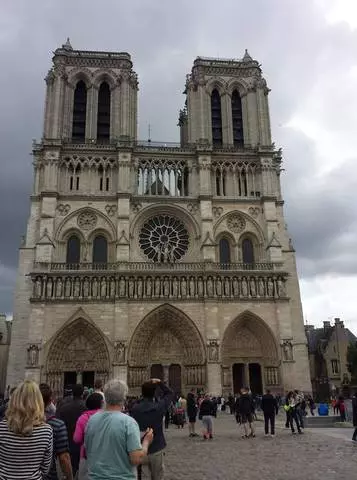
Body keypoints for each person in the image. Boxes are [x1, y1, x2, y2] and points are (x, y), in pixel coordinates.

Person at [85, 379, 153, 480]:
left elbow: (88, 449)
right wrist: (146, 442)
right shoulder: (128, 422)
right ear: (124, 399)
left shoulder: (91, 420)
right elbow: (136, 459)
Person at [0, 380, 53, 480]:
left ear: (14, 400)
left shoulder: (1, 428)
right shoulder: (47, 431)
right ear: (39, 402)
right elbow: (45, 469)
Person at [131, 379, 174, 479]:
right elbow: (169, 393)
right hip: (156, 448)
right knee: (157, 476)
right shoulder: (159, 407)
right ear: (154, 393)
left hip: (139, 448)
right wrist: (159, 383)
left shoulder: (135, 408)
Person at [39, 383, 73, 480]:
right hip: (48, 475)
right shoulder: (56, 425)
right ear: (50, 400)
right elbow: (64, 458)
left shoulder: (10, 424)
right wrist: (69, 477)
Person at [57, 384, 86, 477]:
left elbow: (59, 424)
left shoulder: (64, 407)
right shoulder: (86, 408)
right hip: (82, 443)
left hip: (67, 441)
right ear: (83, 393)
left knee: (71, 469)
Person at [73, 392, 103, 480]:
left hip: (86, 455)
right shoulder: (106, 417)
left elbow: (77, 439)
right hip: (104, 455)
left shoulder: (83, 418)